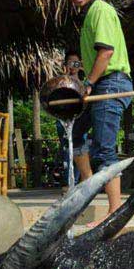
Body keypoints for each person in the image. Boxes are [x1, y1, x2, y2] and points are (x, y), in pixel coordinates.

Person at [60, 0, 132, 225]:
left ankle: (115, 211)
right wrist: (77, 68)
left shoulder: (100, 10)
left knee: (103, 147)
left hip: (111, 83)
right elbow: (90, 56)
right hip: (99, 81)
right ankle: (87, 187)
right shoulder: (84, 17)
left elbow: (106, 53)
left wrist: (88, 83)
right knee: (75, 134)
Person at [54, 52, 93, 186]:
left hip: (79, 119)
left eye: (77, 63)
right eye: (71, 62)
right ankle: (69, 183)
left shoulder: (84, 84)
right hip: (64, 119)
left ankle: (80, 183)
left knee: (80, 149)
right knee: (67, 150)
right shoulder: (60, 82)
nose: (74, 66)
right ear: (65, 64)